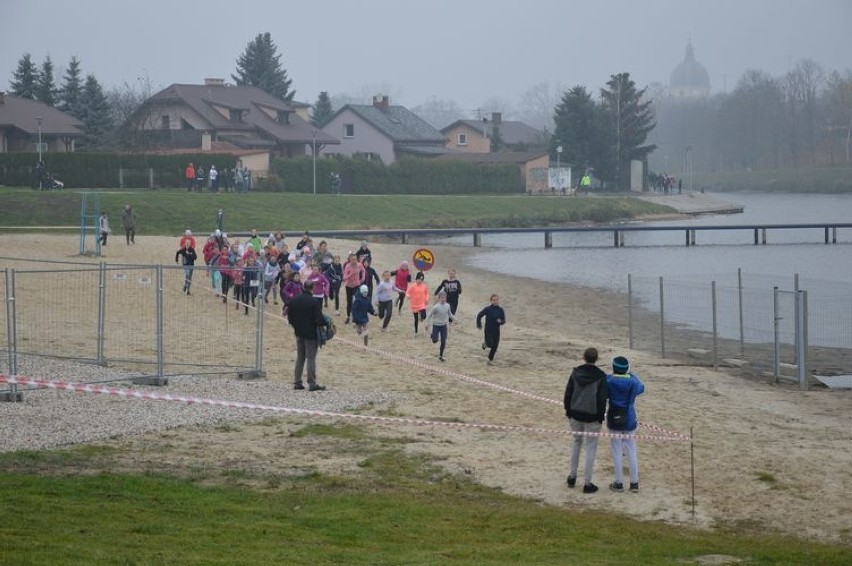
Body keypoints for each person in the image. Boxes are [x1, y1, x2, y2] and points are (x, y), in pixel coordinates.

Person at [563, 347, 608, 494]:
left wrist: (568, 411)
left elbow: (567, 393)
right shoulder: (600, 376)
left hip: (576, 414)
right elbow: (602, 399)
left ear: (584, 357)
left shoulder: (577, 373)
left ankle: (572, 476)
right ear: (596, 358)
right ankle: (587, 482)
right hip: (591, 416)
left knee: (576, 443)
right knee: (590, 448)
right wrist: (600, 416)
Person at [606, 356, 645, 493]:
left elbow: (605, 390)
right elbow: (641, 387)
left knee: (617, 451)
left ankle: (619, 482)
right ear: (627, 369)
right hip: (629, 418)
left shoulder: (609, 380)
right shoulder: (632, 382)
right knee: (631, 451)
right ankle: (634, 483)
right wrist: (631, 374)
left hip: (613, 417)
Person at [286, 280, 326, 391]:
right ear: (312, 288)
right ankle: (312, 383)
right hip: (311, 334)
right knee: (311, 358)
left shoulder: (295, 300)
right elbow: (319, 320)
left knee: (300, 357)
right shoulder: (314, 302)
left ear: (304, 287)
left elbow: (290, 318)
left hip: (299, 332)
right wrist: (325, 322)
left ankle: (297, 382)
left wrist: (296, 327)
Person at [425, 290, 454, 361]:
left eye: (444, 298)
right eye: (441, 297)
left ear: (446, 298)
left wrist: (454, 319)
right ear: (439, 298)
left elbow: (450, 314)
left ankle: (441, 356)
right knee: (435, 340)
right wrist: (427, 323)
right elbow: (429, 315)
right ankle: (433, 335)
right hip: (436, 325)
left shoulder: (447, 305)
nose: (443, 299)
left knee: (443, 340)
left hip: (444, 325)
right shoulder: (436, 307)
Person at [475, 294, 505, 362]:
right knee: (490, 344)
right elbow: (479, 315)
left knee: (495, 346)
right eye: (494, 300)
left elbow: (503, 321)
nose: (495, 301)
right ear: (491, 301)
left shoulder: (501, 310)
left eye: (496, 300)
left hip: (496, 330)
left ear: (498, 300)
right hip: (488, 330)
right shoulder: (488, 309)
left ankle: (490, 359)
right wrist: (479, 324)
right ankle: (485, 343)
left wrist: (500, 321)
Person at [342, 253, 366, 324]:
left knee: (356, 300)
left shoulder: (359, 265)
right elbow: (344, 278)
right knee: (349, 302)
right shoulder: (347, 266)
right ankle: (348, 316)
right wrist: (350, 274)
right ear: (349, 260)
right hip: (349, 286)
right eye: (352, 260)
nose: (354, 261)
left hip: (356, 285)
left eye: (355, 259)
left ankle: (356, 316)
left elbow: (363, 270)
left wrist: (363, 278)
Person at [405, 271, 430, 336]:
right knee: (415, 319)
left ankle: (421, 318)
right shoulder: (413, 286)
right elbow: (407, 292)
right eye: (419, 279)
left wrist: (427, 299)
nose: (420, 281)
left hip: (422, 304)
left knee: (424, 316)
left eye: (421, 280)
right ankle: (416, 332)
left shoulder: (424, 286)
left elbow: (427, 293)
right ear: (416, 279)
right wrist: (408, 295)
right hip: (414, 304)